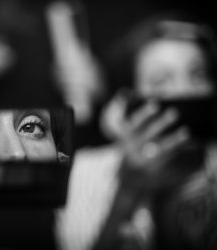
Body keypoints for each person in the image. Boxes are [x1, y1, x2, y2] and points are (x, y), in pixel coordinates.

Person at [56, 11, 217, 250]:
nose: (184, 91)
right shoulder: (87, 172)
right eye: (161, 80)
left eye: (198, 75)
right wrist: (128, 190)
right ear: (126, 102)